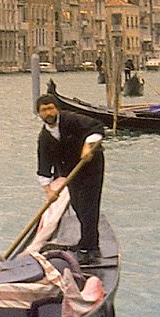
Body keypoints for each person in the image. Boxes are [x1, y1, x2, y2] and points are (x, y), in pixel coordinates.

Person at [35, 92, 106, 260]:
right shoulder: (44, 138)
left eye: (51, 108)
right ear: (39, 114)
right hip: (71, 174)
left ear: (57, 109)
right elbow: (44, 166)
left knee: (89, 206)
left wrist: (88, 146)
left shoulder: (72, 119)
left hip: (90, 168)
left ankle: (91, 248)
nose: (48, 113)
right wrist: (48, 191)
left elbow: (96, 127)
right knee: (77, 205)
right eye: (44, 110)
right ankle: (86, 241)